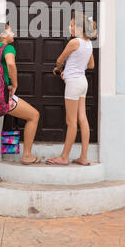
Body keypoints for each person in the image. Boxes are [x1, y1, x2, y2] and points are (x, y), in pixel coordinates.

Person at [0, 22, 40, 184]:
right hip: (2, 97)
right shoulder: (8, 48)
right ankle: (27, 155)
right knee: (34, 115)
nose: (13, 33)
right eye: (10, 30)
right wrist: (15, 84)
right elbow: (10, 64)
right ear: (3, 35)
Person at [46, 12, 97, 166]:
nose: (70, 27)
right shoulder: (88, 43)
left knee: (71, 121)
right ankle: (83, 157)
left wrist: (59, 68)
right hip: (82, 82)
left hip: (74, 84)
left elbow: (59, 60)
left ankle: (64, 157)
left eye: (72, 25)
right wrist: (70, 71)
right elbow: (91, 65)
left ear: (79, 28)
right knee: (83, 119)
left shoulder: (74, 42)